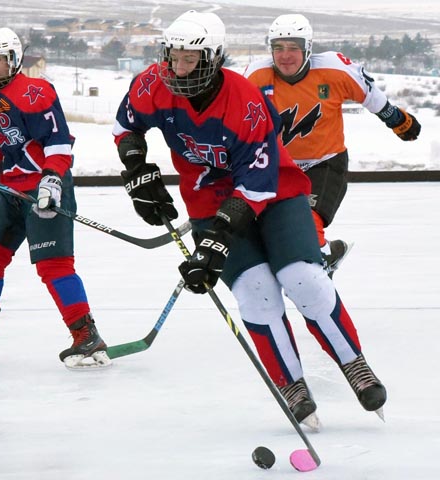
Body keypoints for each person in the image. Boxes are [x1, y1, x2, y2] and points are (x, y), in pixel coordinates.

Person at [113, 10, 385, 426]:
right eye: (173, 57)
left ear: (214, 59)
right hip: (207, 197)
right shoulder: (153, 82)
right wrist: (136, 169)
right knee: (255, 289)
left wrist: (218, 237)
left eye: (190, 59)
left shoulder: (246, 102)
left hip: (275, 191)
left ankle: (354, 364)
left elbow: (257, 183)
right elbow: (126, 125)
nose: (178, 68)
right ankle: (290, 382)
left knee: (302, 277)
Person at [0, 27, 111, 369]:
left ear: (13, 60)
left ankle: (86, 335)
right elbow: (0, 142)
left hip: (46, 189)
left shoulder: (36, 92)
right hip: (11, 191)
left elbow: (59, 143)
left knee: (53, 265)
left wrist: (51, 181)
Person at [244, 14, 421, 275]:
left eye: (293, 47)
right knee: (274, 232)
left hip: (324, 163)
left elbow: (369, 93)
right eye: (278, 48)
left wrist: (397, 120)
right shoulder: (257, 76)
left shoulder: (333, 69)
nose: (285, 55)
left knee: (307, 222)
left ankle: (321, 268)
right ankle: (327, 253)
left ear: (308, 48)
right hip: (280, 167)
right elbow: (237, 121)